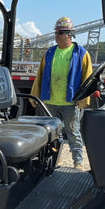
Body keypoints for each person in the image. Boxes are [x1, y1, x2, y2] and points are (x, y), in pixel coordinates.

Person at [30, 16, 93, 168]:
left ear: (69, 35)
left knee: (73, 133)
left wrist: (84, 99)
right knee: (47, 133)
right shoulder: (50, 53)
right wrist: (35, 94)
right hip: (50, 102)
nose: (56, 36)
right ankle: (46, 160)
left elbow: (87, 77)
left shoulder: (81, 53)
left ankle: (78, 162)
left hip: (70, 103)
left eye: (59, 33)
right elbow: (40, 75)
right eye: (56, 33)